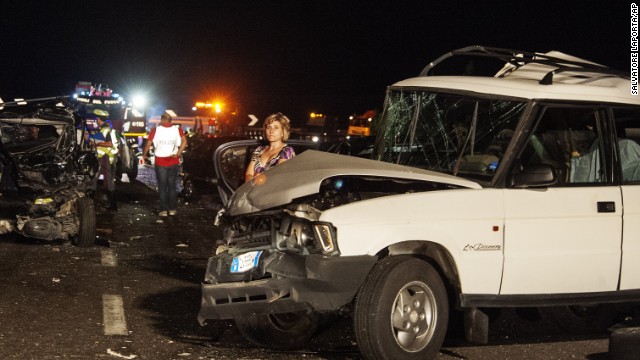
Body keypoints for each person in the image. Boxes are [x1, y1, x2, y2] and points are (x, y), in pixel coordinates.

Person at [142, 113, 187, 217]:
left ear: (162, 120)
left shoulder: (156, 130)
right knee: (171, 186)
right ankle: (172, 209)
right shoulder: (177, 129)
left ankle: (163, 210)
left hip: (160, 161)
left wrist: (144, 155)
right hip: (173, 161)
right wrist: (178, 153)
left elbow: (148, 143)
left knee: (162, 187)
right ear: (170, 120)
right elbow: (184, 141)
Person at [245, 112, 295, 182]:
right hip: (254, 191)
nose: (271, 131)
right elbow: (248, 174)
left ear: (283, 132)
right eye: (269, 127)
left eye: (276, 127)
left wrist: (256, 178)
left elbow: (278, 177)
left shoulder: (287, 151)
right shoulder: (259, 150)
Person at [86, 110, 118, 210]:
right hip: (101, 158)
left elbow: (109, 144)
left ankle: (113, 205)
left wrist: (97, 144)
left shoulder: (106, 130)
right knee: (94, 178)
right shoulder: (102, 129)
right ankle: (89, 203)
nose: (96, 120)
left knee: (107, 180)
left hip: (105, 157)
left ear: (99, 119)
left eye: (97, 119)